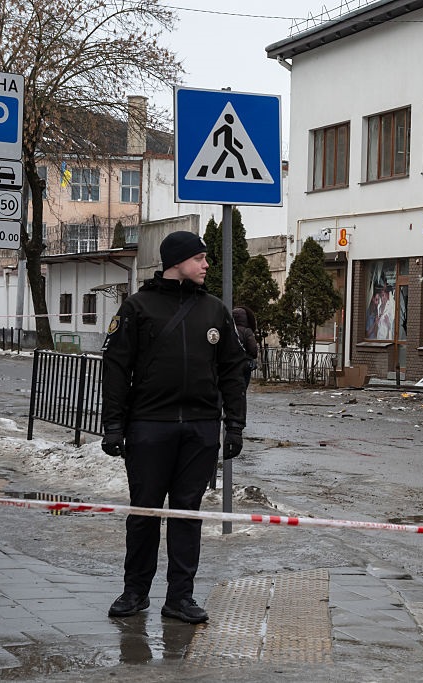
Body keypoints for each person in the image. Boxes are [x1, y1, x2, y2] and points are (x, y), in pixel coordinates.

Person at [100, 230, 247, 624]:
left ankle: (180, 597)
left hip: (199, 429)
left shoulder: (214, 310)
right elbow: (115, 368)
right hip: (149, 426)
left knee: (187, 514)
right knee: (144, 513)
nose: (206, 264)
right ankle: (135, 593)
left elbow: (234, 370)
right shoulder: (137, 307)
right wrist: (113, 425)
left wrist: (234, 425)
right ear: (177, 261)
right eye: (199, 257)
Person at [232, 306, 258, 388]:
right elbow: (253, 349)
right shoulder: (247, 331)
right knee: (242, 388)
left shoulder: (228, 329)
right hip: (244, 365)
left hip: (230, 365)